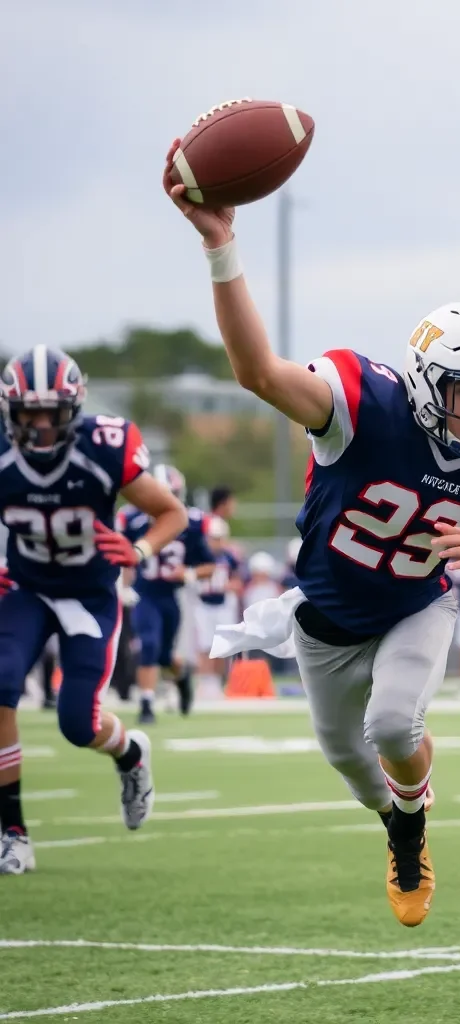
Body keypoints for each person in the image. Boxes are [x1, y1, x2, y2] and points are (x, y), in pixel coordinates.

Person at [164, 150, 460, 927]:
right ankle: (397, 818)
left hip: (418, 604)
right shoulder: (360, 404)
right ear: (424, 379)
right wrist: (220, 244)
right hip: (327, 613)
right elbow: (258, 373)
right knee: (346, 754)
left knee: (391, 725)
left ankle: (410, 824)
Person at [0, 346, 187, 875]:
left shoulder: (103, 449)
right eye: (27, 413)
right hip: (26, 587)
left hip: (88, 593)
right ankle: (12, 831)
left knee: (77, 725)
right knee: (1, 682)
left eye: (50, 412)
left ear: (72, 411)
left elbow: (170, 514)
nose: (38, 425)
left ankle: (130, 754)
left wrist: (142, 550)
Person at [119, 464, 215, 722]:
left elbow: (210, 565)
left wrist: (189, 574)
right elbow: (124, 558)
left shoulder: (190, 524)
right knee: (148, 645)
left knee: (163, 655)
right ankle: (147, 705)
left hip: (172, 596)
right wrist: (123, 586)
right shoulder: (132, 521)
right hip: (144, 593)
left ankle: (181, 676)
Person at [194, 515, 241, 695]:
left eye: (219, 538)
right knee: (204, 645)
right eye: (214, 538)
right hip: (203, 604)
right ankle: (205, 682)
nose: (216, 542)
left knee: (222, 645)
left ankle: (219, 682)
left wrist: (228, 586)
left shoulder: (229, 557)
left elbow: (237, 582)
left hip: (223, 604)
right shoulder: (199, 555)